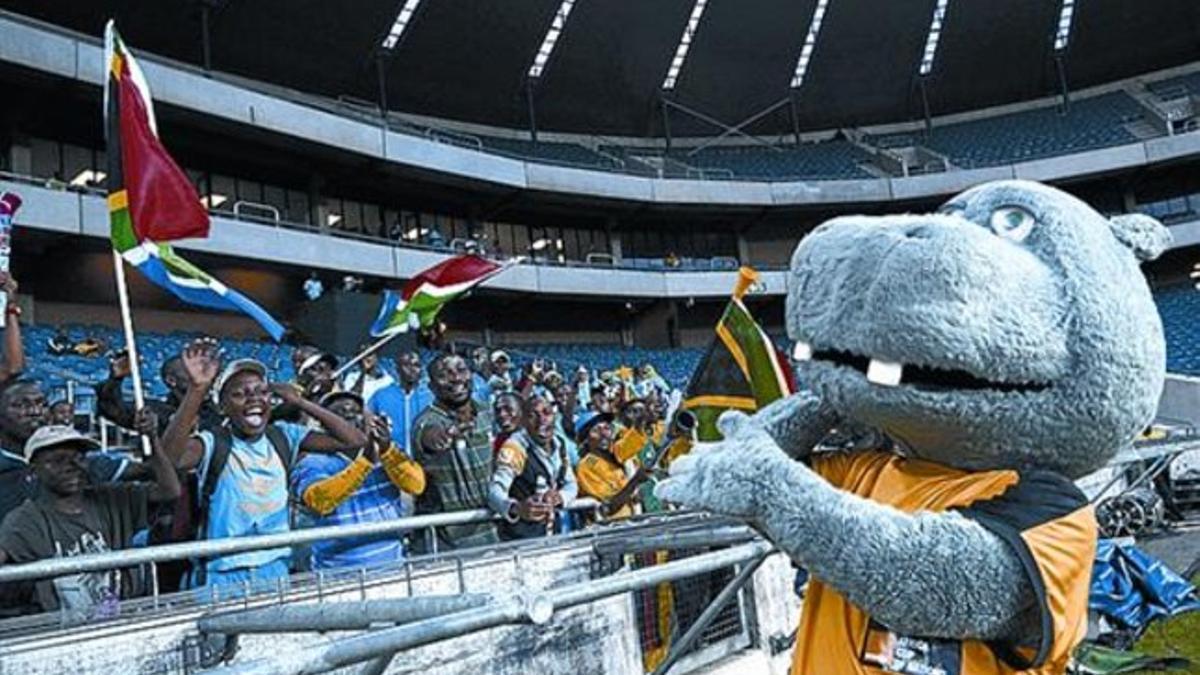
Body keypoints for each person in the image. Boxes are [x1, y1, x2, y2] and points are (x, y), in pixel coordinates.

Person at [161, 340, 366, 593]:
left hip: (276, 568)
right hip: (222, 574)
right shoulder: (214, 442)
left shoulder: (284, 436)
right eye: (240, 394)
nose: (253, 399)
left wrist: (301, 403)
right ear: (222, 406)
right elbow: (170, 459)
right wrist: (197, 389)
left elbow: (353, 441)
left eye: (261, 391)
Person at [0, 412, 180, 618]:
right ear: (33, 470)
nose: (71, 467)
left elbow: (170, 490)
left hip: (122, 622)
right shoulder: (26, 519)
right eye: (57, 461)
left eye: (79, 458)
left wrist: (152, 440)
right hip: (65, 634)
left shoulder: (110, 498)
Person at [290, 391, 425, 570]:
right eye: (339, 413)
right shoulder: (313, 462)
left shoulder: (387, 452)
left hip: (393, 567)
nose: (349, 417)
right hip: (339, 575)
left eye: (355, 412)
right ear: (325, 424)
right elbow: (319, 501)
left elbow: (416, 486)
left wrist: (386, 450)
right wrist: (365, 462)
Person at [410, 354, 497, 552]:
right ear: (431, 387)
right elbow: (431, 436)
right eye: (444, 374)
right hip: (449, 540)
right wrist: (443, 437)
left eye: (461, 370)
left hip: (492, 529)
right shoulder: (426, 421)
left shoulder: (486, 412)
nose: (456, 378)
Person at [489, 396, 578, 540]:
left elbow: (571, 484)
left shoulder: (559, 443)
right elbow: (494, 492)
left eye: (546, 412)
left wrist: (560, 497)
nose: (541, 420)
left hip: (553, 533)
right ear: (523, 421)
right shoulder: (515, 447)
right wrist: (517, 508)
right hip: (521, 540)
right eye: (533, 415)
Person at [99, 351, 221, 435]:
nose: (199, 375)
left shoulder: (215, 410)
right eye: (190, 370)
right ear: (171, 380)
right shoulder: (154, 410)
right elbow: (113, 410)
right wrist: (115, 379)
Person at [573, 411, 634, 519]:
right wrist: (636, 481)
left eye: (606, 428)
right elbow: (608, 507)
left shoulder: (619, 456)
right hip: (613, 528)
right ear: (585, 440)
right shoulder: (585, 467)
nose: (604, 434)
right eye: (596, 430)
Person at [368, 350, 432, 453]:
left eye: (417, 365)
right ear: (397, 368)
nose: (412, 369)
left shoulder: (431, 395)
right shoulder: (381, 395)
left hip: (425, 461)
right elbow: (368, 423)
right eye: (406, 365)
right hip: (393, 459)